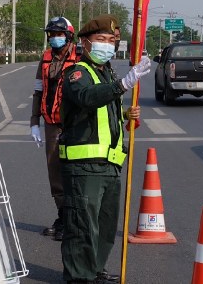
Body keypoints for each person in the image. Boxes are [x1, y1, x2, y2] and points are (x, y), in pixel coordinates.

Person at [59, 15, 151, 284]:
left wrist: (125, 114)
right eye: (101, 40)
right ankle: (79, 277)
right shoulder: (77, 73)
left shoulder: (105, 72)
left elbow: (103, 113)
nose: (107, 45)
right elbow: (87, 98)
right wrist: (123, 84)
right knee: (82, 226)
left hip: (109, 164)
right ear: (85, 43)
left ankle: (94, 270)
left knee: (106, 226)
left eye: (111, 41)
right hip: (84, 165)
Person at [30, 16, 78, 241]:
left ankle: (74, 220)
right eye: (52, 34)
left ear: (68, 36)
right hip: (51, 125)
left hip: (76, 124)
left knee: (74, 172)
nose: (54, 38)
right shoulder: (46, 58)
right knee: (55, 174)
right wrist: (34, 122)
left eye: (59, 34)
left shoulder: (81, 57)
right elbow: (38, 91)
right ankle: (63, 216)